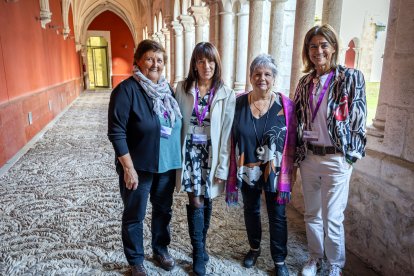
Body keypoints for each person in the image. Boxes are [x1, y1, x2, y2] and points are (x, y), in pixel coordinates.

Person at [293, 24, 367, 276]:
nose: (318, 51)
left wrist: (350, 156)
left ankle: (335, 264)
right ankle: (315, 258)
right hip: (310, 157)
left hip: (337, 158)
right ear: (307, 51)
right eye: (313, 46)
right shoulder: (304, 82)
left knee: (333, 218)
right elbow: (297, 118)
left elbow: (358, 117)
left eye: (324, 45)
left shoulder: (351, 78)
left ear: (334, 47)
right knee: (312, 213)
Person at [108, 40, 182, 276]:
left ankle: (160, 250)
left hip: (166, 165)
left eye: (159, 60)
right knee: (134, 214)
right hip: (138, 166)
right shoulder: (125, 90)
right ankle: (136, 260)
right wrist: (128, 168)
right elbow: (116, 131)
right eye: (150, 58)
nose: (155, 64)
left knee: (163, 211)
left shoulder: (167, 90)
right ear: (138, 61)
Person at [226, 54, 297, 276]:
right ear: (250, 77)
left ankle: (279, 260)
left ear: (274, 78)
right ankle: (254, 248)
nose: (262, 78)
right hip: (247, 168)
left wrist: (290, 172)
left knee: (278, 214)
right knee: (251, 210)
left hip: (274, 170)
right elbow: (228, 136)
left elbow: (294, 141)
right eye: (257, 74)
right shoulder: (238, 104)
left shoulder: (286, 106)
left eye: (267, 74)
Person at [175, 42, 235, 276]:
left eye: (211, 61)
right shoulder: (182, 88)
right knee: (196, 201)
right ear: (194, 64)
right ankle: (199, 252)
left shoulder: (226, 94)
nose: (206, 66)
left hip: (211, 154)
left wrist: (222, 165)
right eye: (201, 61)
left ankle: (200, 245)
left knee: (207, 199)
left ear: (216, 64)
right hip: (189, 152)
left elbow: (228, 133)